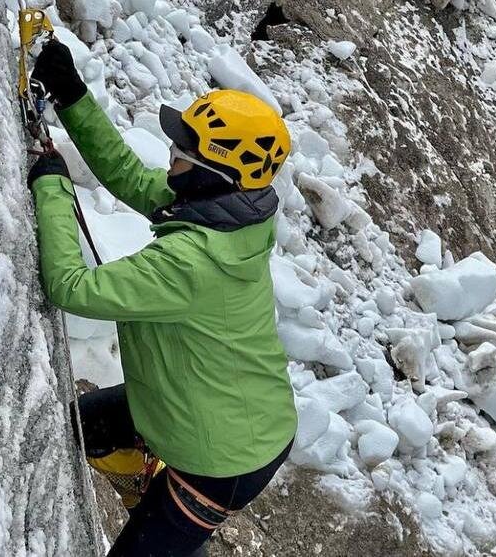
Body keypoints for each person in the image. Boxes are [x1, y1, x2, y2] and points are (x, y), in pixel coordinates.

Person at [26, 40, 297, 557]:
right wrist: (73, 96)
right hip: (197, 412)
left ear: (216, 169)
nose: (171, 151)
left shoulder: (193, 261)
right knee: (86, 427)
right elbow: (129, 176)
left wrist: (53, 188)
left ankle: (167, 521)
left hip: (222, 461)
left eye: (184, 149)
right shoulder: (222, 208)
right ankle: (147, 496)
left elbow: (72, 287)